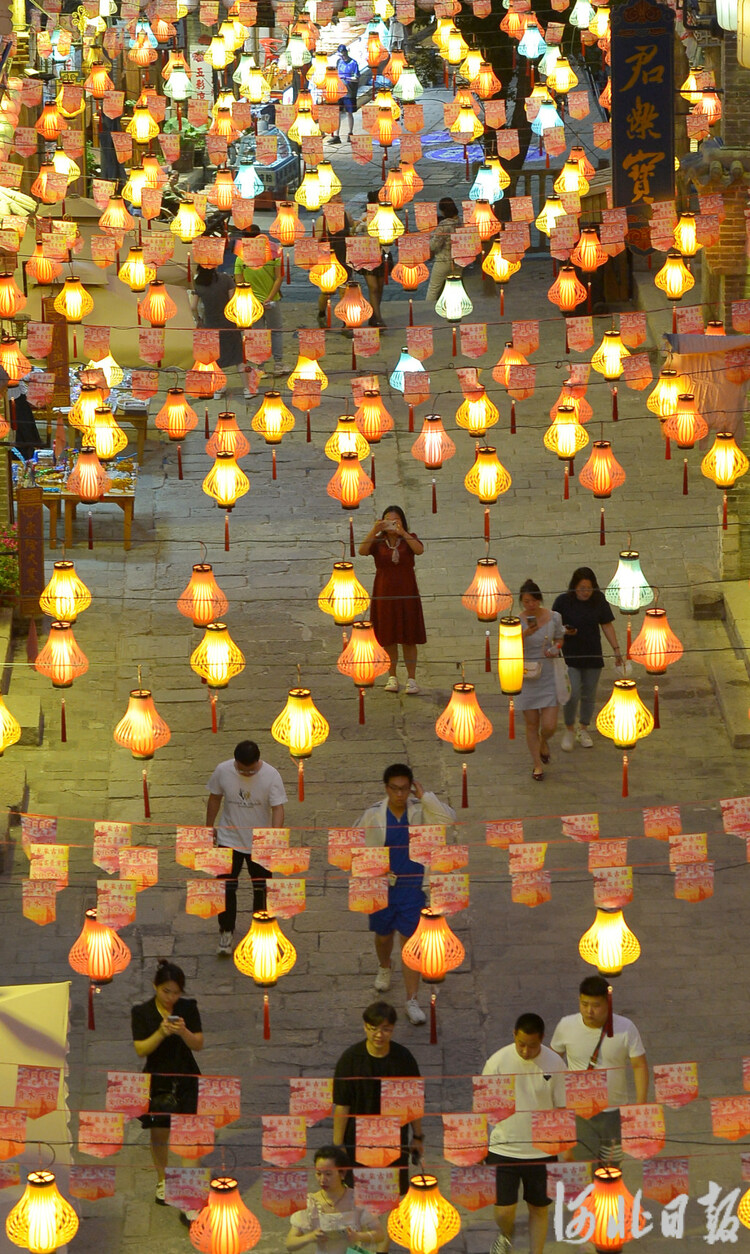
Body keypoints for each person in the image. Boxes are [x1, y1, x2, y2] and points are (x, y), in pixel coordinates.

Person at [355, 764, 456, 1024]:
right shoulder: (374, 814)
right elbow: (355, 842)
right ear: (386, 788)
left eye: (404, 789)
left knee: (411, 943)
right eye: (394, 789)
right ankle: (385, 965)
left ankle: (412, 999)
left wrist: (425, 796)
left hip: (413, 887)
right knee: (383, 935)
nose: (400, 794)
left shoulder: (422, 811)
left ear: (411, 786)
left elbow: (448, 820)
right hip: (381, 887)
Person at [333, 1001, 422, 1239]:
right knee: (358, 1196)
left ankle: (383, 1243)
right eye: (373, 1028)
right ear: (365, 1027)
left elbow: (413, 1103)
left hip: (394, 1141)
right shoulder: (350, 1060)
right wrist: (338, 1144)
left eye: (385, 1029)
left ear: (392, 1030)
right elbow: (342, 1104)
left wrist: (418, 1136)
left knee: (389, 1199)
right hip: (358, 1141)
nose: (378, 1035)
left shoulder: (403, 1059)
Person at [483, 1013, 567, 1254]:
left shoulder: (555, 1064)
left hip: (542, 1149)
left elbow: (562, 1107)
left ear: (541, 1039)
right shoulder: (497, 1062)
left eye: (532, 1045)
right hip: (503, 1147)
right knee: (503, 1210)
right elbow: (482, 1105)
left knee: (539, 1208)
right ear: (514, 1036)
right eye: (521, 1044)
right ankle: (505, 1234)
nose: (526, 1051)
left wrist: (566, 1147)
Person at [550, 975, 649, 1165]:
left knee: (610, 1168)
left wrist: (640, 1106)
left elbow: (639, 1065)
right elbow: (552, 1063)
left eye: (596, 1005)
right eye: (584, 1004)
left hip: (614, 1113)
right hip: (580, 1113)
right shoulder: (566, 1026)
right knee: (583, 1165)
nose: (589, 1011)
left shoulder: (626, 1027)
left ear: (608, 1003)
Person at [131, 960, 204, 1213]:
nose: (171, 998)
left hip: (186, 1077)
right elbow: (141, 1049)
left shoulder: (188, 1008)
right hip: (157, 1080)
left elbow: (198, 1044)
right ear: (155, 986)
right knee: (159, 1133)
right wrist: (161, 1032)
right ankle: (163, 1180)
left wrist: (183, 1032)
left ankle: (190, 1195)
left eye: (176, 992)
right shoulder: (142, 1013)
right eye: (166, 991)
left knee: (190, 1136)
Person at [206, 740, 287, 955]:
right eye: (242, 770)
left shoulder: (271, 776)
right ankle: (225, 930)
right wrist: (208, 827)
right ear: (235, 762)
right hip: (228, 838)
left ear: (257, 762)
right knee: (225, 888)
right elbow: (214, 798)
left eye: (250, 770)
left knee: (262, 888)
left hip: (259, 842)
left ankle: (260, 930)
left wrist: (274, 835)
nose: (246, 774)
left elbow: (278, 808)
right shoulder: (223, 771)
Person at [552, 567, 623, 752]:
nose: (585, 592)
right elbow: (553, 627)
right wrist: (564, 632)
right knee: (572, 693)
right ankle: (569, 728)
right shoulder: (563, 602)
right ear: (574, 587)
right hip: (570, 657)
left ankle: (583, 728)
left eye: (589, 588)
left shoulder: (598, 600)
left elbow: (606, 625)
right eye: (582, 588)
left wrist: (616, 650)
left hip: (592, 655)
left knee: (589, 695)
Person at [359, 505, 425, 694]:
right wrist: (375, 530)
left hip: (407, 591)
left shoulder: (408, 538)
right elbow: (362, 551)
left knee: (409, 637)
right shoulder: (378, 542)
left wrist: (402, 532)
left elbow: (419, 550)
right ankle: (392, 676)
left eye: (396, 520)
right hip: (384, 592)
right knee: (388, 637)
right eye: (388, 520)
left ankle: (412, 678)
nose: (392, 524)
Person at [286, 1145, 384, 1254]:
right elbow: (290, 1244)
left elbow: (380, 1234)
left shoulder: (357, 1199)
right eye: (318, 1173)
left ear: (342, 1173)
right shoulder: (310, 1202)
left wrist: (358, 1236)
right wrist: (310, 1237)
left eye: (328, 1174)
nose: (322, 1180)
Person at [515, 579, 564, 782]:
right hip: (526, 675)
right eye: (526, 602)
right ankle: (537, 764)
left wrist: (556, 648)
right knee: (531, 724)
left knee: (550, 724)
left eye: (533, 601)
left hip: (548, 674)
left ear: (540, 600)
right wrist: (524, 634)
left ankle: (544, 741)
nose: (530, 606)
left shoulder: (554, 617)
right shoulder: (517, 622)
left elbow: (560, 638)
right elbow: (508, 647)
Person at [234, 223, 284, 375]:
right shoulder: (273, 253)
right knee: (275, 331)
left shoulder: (240, 259)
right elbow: (279, 278)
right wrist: (268, 298)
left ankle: (260, 365)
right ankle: (278, 363)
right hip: (272, 301)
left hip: (251, 303)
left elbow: (239, 283)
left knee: (257, 334)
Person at [189, 264, 244, 370]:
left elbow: (193, 307)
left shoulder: (198, 283)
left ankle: (221, 386)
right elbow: (233, 303)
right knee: (238, 357)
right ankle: (247, 386)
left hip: (210, 323)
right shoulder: (226, 279)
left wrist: (198, 319)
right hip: (229, 323)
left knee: (214, 358)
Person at [314, 194, 354, 325]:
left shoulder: (346, 215)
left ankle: (345, 321)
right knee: (327, 292)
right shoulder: (322, 219)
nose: (339, 199)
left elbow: (352, 231)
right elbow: (316, 240)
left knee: (345, 291)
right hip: (329, 260)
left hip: (344, 257)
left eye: (339, 197)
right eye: (335, 198)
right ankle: (321, 313)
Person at [353, 191, 389, 327]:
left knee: (379, 287)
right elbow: (357, 229)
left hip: (382, 252)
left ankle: (374, 315)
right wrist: (364, 221)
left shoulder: (389, 214)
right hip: (368, 254)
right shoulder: (366, 216)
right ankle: (378, 318)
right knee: (373, 287)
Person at [426, 198, 462, 303]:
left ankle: (427, 309)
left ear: (443, 210)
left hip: (443, 261)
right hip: (458, 262)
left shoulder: (444, 225)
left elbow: (434, 245)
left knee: (433, 288)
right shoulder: (460, 221)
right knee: (454, 288)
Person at [328, 45, 359, 144]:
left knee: (349, 113)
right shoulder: (339, 62)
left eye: (343, 54)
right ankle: (337, 135)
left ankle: (350, 133)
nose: (342, 56)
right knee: (338, 113)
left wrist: (346, 78)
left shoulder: (353, 63)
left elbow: (357, 78)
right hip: (339, 92)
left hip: (349, 92)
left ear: (346, 52)